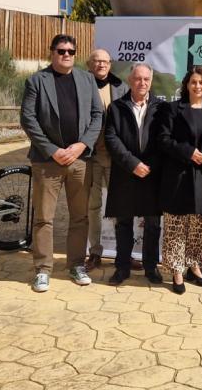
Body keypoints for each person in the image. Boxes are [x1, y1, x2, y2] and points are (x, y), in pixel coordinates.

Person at [20, 34, 103, 293]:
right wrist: (53, 150)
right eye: (61, 50)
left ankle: (76, 265)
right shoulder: (36, 81)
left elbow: (97, 115)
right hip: (48, 162)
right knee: (44, 218)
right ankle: (43, 270)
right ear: (52, 52)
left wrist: (81, 146)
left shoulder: (87, 79)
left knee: (79, 217)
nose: (66, 55)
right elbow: (28, 118)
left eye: (70, 51)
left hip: (80, 160)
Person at [156, 65, 202, 294]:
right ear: (186, 85)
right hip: (178, 176)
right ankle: (177, 271)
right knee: (176, 226)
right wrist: (188, 152)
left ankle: (194, 266)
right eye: (194, 82)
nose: (198, 86)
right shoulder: (173, 109)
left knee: (198, 226)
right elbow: (163, 140)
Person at [104, 64, 165, 286]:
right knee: (123, 223)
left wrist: (149, 165)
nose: (142, 83)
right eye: (138, 78)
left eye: (146, 79)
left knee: (153, 224)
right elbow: (111, 139)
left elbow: (164, 140)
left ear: (151, 80)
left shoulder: (161, 108)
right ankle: (122, 268)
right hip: (125, 173)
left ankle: (151, 268)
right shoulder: (117, 107)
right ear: (130, 80)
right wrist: (132, 164)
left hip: (152, 174)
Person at [84, 48, 127, 270]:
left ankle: (124, 254)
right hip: (90, 157)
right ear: (89, 64)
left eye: (105, 61)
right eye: (96, 61)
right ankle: (95, 252)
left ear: (110, 64)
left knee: (120, 206)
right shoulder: (80, 85)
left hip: (115, 157)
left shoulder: (121, 87)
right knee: (92, 207)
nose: (101, 65)